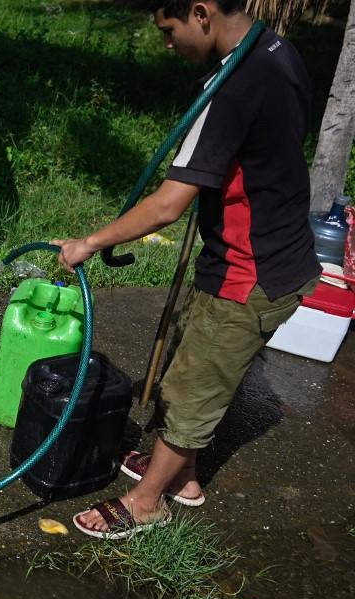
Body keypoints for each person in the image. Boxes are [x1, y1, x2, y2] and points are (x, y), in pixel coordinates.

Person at [53, 0, 320, 538]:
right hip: (251, 252)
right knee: (185, 368)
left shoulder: (230, 88)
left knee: (196, 388)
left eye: (169, 30)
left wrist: (90, 241)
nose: (167, 44)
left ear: (201, 12)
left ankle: (147, 501)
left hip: (253, 270)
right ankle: (184, 476)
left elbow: (169, 204)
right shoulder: (277, 51)